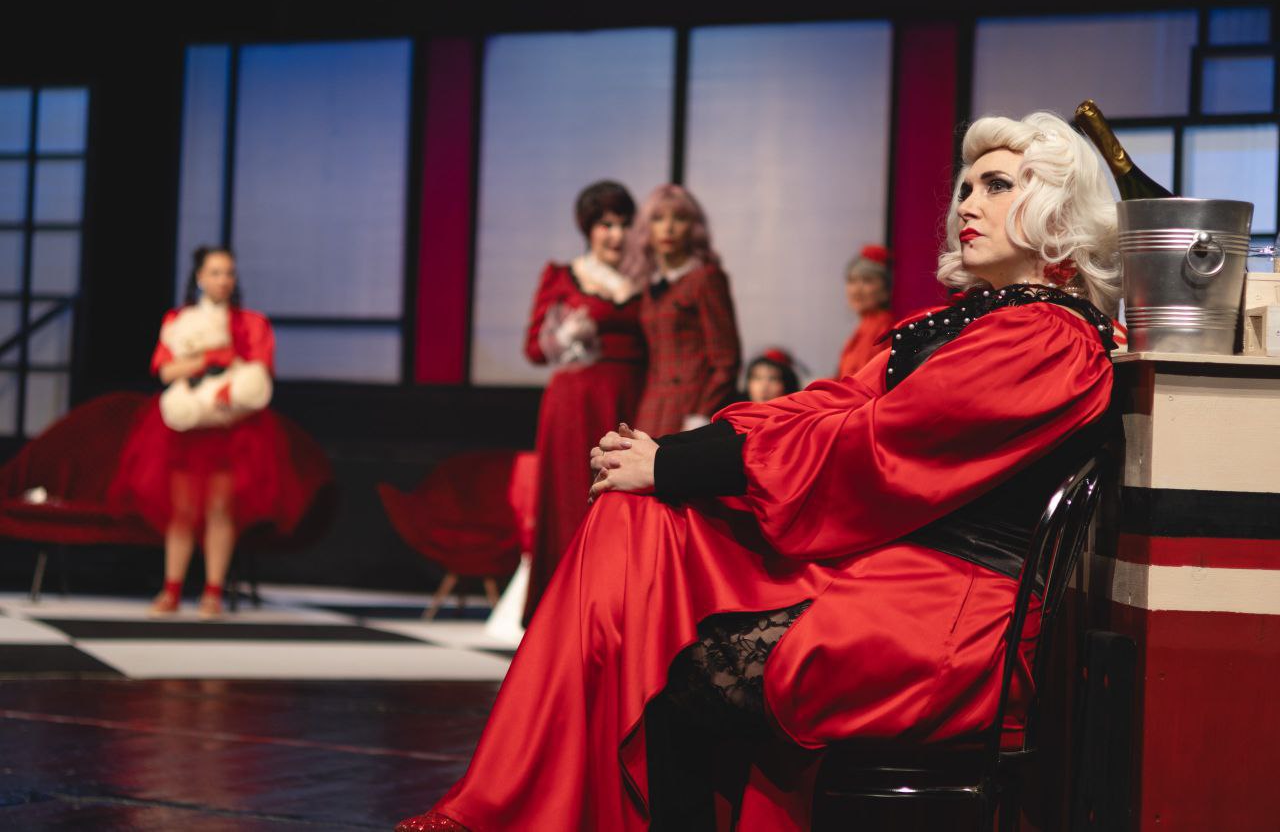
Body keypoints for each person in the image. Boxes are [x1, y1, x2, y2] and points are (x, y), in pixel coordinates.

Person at [397, 110, 1120, 831]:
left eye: (996, 186)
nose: (966, 204)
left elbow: (874, 443)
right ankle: (520, 798)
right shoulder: (970, 322)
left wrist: (678, 464)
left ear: (1054, 208)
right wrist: (666, 458)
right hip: (892, 566)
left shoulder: (1047, 338)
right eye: (966, 187)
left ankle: (531, 803)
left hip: (955, 608)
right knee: (636, 518)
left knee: (696, 681)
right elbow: (828, 403)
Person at [111, 246, 312, 619]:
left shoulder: (250, 323)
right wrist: (205, 359)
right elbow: (165, 370)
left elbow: (259, 374)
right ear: (200, 277)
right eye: (216, 272)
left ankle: (213, 591)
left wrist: (231, 384)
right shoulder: (179, 320)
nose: (224, 280)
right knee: (182, 510)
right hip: (186, 430)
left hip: (231, 430)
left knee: (220, 509)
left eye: (229, 273)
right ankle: (171, 589)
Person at [521, 180, 646, 624]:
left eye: (624, 224)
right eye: (605, 224)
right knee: (573, 500)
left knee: (626, 503)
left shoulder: (645, 279)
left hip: (633, 397)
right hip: (575, 405)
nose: (616, 234)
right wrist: (565, 335)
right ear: (588, 228)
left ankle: (615, 612)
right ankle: (562, 615)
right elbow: (534, 350)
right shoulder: (563, 275)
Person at [631, 184, 741, 437]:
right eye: (658, 219)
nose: (668, 228)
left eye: (679, 218)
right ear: (646, 228)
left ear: (694, 227)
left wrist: (702, 414)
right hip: (652, 406)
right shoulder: (649, 286)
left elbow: (726, 360)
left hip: (691, 406)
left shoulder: (706, 278)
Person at [836, 243, 895, 379]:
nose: (856, 290)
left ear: (885, 290)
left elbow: (865, 381)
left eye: (867, 281)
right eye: (852, 281)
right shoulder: (864, 326)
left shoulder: (882, 328)